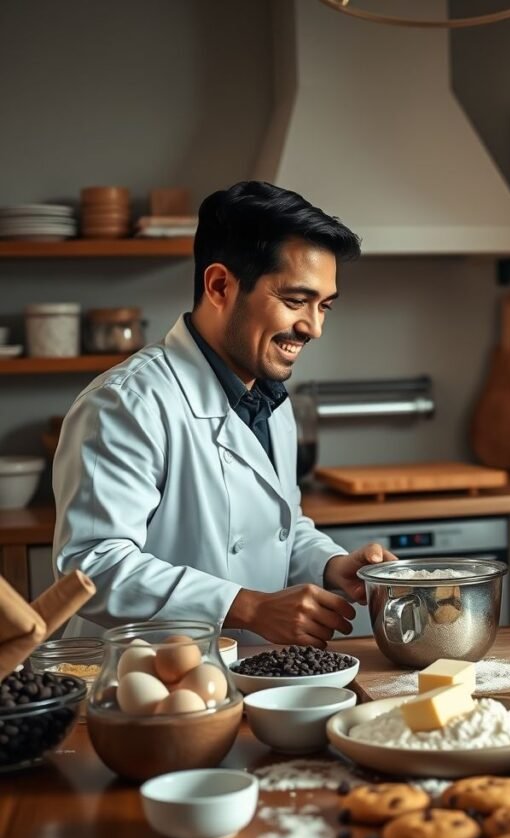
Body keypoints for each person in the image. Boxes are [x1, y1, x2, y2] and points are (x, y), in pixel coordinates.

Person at [54, 181, 396, 645]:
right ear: (220, 286)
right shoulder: (125, 402)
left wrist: (331, 565)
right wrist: (246, 606)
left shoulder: (271, 398)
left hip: (246, 679)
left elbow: (279, 529)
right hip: (137, 685)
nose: (313, 327)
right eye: (296, 301)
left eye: (324, 306)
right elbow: (92, 566)